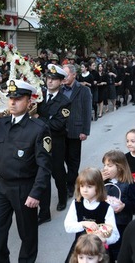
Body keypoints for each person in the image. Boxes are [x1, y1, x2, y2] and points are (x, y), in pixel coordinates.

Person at [0, 79, 52, 263]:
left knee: (27, 232)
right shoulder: (1, 123)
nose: (12, 102)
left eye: (17, 98)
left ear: (29, 102)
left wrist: (36, 193)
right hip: (1, 186)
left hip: (24, 188)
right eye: (10, 98)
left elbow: (44, 166)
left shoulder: (39, 129)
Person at [35, 64, 71, 224]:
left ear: (61, 82)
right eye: (48, 78)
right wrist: (46, 120)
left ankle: (62, 197)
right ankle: (44, 213)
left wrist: (39, 119)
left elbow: (57, 124)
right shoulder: (39, 95)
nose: (49, 82)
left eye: (54, 79)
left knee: (57, 173)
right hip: (39, 142)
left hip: (56, 142)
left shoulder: (65, 101)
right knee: (42, 175)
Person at [64, 167, 120, 263]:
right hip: (81, 249)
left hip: (98, 251)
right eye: (82, 186)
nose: (85, 190)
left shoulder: (106, 207)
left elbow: (115, 235)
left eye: (89, 187)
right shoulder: (77, 203)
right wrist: (83, 223)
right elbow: (68, 226)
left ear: (98, 187)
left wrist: (104, 239)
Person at [101, 150, 135, 263]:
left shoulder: (129, 184)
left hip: (120, 224)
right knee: (106, 252)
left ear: (119, 167)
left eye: (109, 165)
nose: (105, 168)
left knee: (118, 251)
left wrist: (124, 206)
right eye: (104, 165)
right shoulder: (104, 182)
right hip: (105, 224)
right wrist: (99, 181)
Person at [62, 64, 92, 198]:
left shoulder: (83, 90)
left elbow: (87, 111)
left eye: (66, 74)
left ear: (74, 75)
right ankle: (69, 181)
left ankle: (70, 185)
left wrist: (85, 131)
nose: (64, 78)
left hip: (76, 130)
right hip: (60, 130)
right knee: (63, 159)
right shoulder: (59, 89)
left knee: (73, 160)